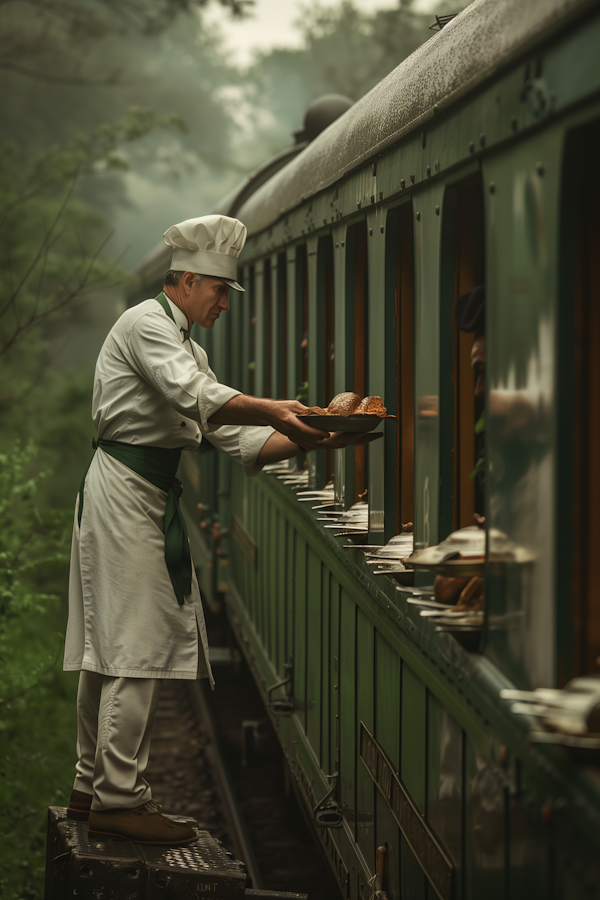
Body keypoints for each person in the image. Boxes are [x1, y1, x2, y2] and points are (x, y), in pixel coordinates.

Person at [63, 214, 380, 845]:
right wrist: (275, 406)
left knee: (113, 641)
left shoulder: (188, 345)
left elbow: (230, 435)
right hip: (126, 490)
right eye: (217, 292)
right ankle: (118, 797)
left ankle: (88, 782)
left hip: (142, 491)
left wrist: (313, 438)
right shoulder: (146, 324)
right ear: (184, 281)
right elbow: (195, 396)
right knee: (134, 640)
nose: (223, 305)